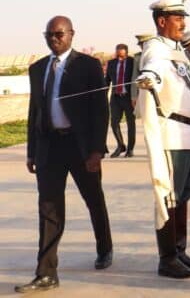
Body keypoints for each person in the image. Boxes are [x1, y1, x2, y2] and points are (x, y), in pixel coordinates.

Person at [16, 16, 113, 293]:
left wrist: (96, 150)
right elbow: (34, 111)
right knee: (49, 208)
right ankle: (46, 272)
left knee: (94, 199)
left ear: (71, 34)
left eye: (59, 34)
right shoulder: (37, 68)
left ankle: (104, 248)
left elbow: (100, 111)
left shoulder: (88, 66)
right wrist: (31, 151)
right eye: (49, 35)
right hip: (49, 147)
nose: (54, 39)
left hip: (81, 147)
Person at [135, 0, 190, 279]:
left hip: (187, 135)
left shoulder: (175, 50)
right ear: (162, 21)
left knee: (183, 196)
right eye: (178, 19)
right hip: (171, 136)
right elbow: (151, 70)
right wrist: (150, 79)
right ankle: (167, 258)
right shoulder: (156, 49)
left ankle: (180, 250)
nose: (182, 24)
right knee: (168, 197)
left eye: (183, 18)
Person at [105, 43, 136, 158]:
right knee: (114, 122)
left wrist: (136, 96)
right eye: (118, 55)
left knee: (130, 124)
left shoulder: (132, 62)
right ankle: (120, 145)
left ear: (126, 53)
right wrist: (103, 94)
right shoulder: (111, 63)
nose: (120, 58)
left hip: (129, 98)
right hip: (116, 97)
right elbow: (107, 80)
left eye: (122, 56)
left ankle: (130, 149)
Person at [131, 33, 154, 112]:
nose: (142, 47)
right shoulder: (138, 57)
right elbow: (135, 77)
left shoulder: (158, 55)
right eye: (140, 44)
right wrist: (134, 96)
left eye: (144, 44)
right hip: (144, 92)